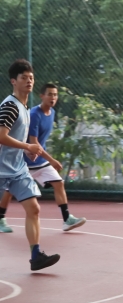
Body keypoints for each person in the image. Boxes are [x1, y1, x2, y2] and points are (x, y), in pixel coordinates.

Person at [0, 83, 86, 234]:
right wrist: (51, 159)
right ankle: (1, 218)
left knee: (58, 183)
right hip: (24, 161)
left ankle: (67, 219)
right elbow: (34, 142)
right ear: (42, 96)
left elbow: (41, 142)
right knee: (8, 191)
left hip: (39, 160)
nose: (53, 97)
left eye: (55, 95)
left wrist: (45, 158)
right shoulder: (34, 114)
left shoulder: (52, 113)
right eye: (50, 94)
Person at [0, 59, 60, 270]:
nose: (29, 81)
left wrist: (25, 150)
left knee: (33, 209)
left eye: (31, 78)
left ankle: (36, 256)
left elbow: (14, 139)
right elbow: (1, 136)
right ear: (13, 81)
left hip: (17, 170)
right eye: (24, 77)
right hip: (1, 170)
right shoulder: (10, 106)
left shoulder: (25, 107)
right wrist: (27, 145)